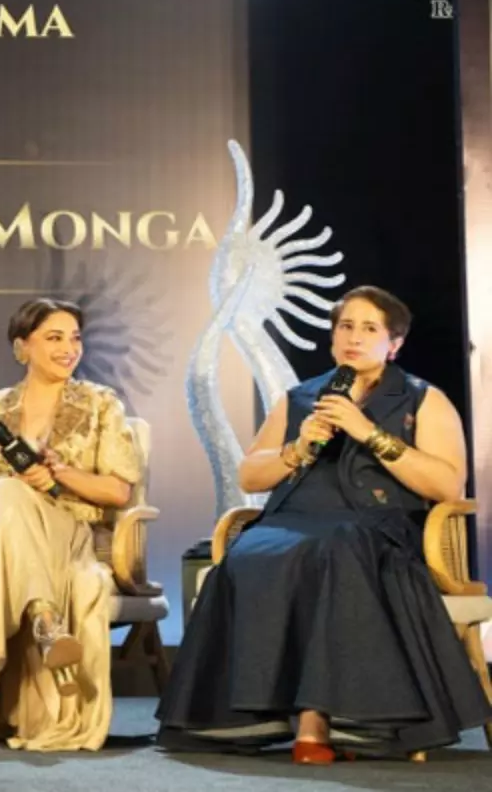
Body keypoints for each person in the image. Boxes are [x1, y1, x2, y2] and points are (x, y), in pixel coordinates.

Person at [156, 286, 492, 763]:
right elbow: (251, 474)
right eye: (345, 327)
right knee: (247, 552)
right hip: (296, 520)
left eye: (369, 329)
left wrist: (368, 432)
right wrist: (297, 449)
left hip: (377, 529)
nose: (354, 337)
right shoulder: (300, 398)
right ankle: (247, 717)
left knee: (336, 546)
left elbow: (447, 485)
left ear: (394, 344)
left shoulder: (421, 399)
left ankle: (320, 722)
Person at [0, 298, 142, 750]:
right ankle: (45, 620)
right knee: (6, 495)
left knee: (6, 501)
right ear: (21, 346)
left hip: (66, 532)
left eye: (75, 338)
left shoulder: (101, 404)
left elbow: (117, 491)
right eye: (54, 338)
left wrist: (61, 475)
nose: (69, 349)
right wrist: (19, 486)